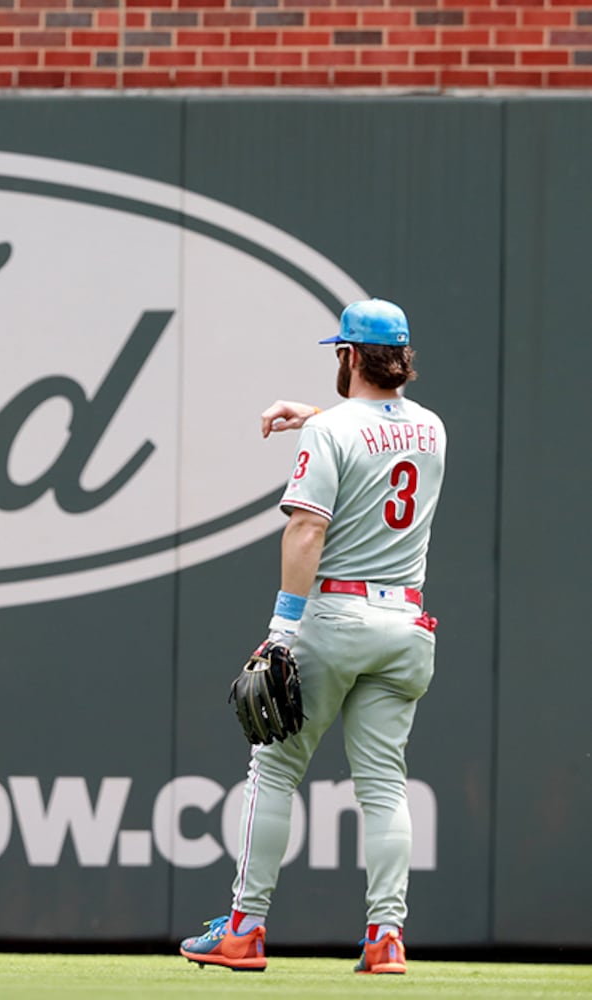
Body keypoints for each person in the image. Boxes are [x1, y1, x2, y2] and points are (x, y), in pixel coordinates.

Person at [179, 298, 447, 975]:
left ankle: (244, 930)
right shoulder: (434, 429)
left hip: (334, 617)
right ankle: (386, 938)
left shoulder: (329, 434)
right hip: (406, 625)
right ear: (402, 359)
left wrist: (280, 631)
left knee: (273, 768)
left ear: (349, 355)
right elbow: (385, 435)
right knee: (385, 786)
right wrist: (322, 417)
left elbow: (306, 529)